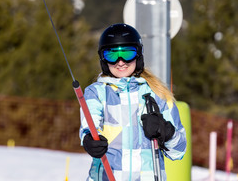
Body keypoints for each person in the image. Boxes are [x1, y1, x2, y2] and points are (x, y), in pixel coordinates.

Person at [79, 23, 187, 181]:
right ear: (103, 59)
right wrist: (90, 140)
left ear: (138, 55)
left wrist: (166, 131)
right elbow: (89, 127)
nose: (120, 61)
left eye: (127, 53)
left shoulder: (158, 94)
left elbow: (179, 151)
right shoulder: (96, 93)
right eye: (112, 55)